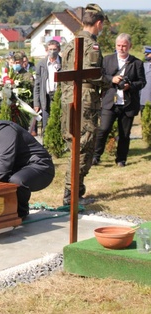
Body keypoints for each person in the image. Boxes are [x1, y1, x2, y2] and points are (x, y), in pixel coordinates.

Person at [60, 3, 111, 206]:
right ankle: (70, 196)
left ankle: (76, 192)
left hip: (69, 98)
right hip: (85, 101)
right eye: (102, 25)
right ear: (98, 23)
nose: (102, 28)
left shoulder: (70, 43)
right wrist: (111, 81)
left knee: (77, 145)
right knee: (83, 147)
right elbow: (93, 73)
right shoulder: (91, 45)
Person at [93, 33, 146, 167]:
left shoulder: (137, 63)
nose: (121, 48)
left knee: (124, 133)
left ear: (130, 46)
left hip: (128, 103)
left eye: (124, 46)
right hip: (110, 101)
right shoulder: (107, 60)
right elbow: (101, 76)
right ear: (115, 46)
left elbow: (142, 82)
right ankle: (96, 156)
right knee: (103, 129)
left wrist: (130, 86)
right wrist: (112, 79)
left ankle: (121, 159)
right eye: (119, 46)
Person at [33, 40, 62, 140]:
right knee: (46, 123)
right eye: (50, 49)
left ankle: (58, 144)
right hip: (46, 97)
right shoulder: (41, 64)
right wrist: (36, 103)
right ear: (46, 50)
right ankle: (46, 144)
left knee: (60, 121)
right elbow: (37, 85)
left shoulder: (63, 63)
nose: (52, 51)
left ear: (59, 49)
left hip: (59, 97)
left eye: (54, 49)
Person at [141, 46, 151, 112]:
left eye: (148, 54)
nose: (146, 56)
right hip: (143, 99)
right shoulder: (143, 65)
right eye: (145, 54)